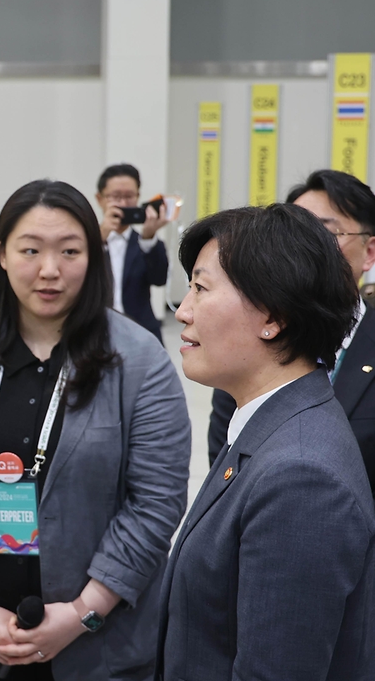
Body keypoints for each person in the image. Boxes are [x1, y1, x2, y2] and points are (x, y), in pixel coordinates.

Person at [0, 179, 191, 680]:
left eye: (70, 251)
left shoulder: (141, 359)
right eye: (30, 250)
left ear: (93, 254)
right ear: (1, 253)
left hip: (101, 647)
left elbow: (156, 502)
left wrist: (83, 611)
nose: (49, 270)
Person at [158, 204, 375, 680]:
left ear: (272, 317)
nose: (183, 310)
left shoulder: (301, 477)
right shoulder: (270, 424)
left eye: (200, 287)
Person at [206, 170, 375, 496]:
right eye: (293, 237)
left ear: (369, 252)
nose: (303, 250)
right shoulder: (248, 340)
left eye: (325, 234)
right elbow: (223, 462)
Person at [95, 164, 169, 343]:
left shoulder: (145, 241)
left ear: (138, 197)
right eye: (115, 196)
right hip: (96, 331)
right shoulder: (85, 242)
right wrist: (97, 240)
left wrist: (149, 238)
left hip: (140, 331)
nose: (122, 203)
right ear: (100, 199)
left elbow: (159, 279)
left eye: (129, 196)